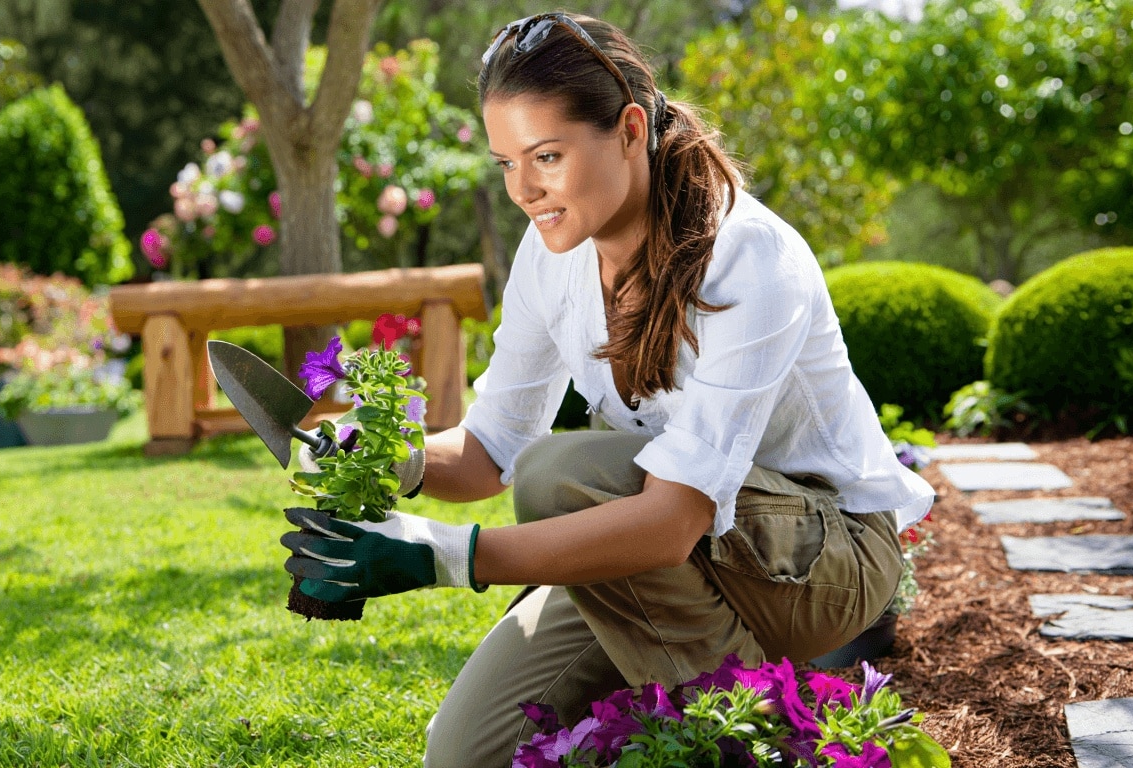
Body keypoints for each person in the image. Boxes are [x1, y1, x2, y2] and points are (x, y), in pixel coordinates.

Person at [280, 11, 935, 767]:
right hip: (674, 563)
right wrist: (388, 456)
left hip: (826, 561)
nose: (524, 189)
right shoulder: (550, 253)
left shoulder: (748, 256)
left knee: (562, 475)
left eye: (547, 156)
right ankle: (718, 716)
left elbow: (666, 522)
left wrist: (446, 556)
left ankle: (743, 740)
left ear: (628, 128)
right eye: (504, 164)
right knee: (470, 753)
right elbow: (491, 448)